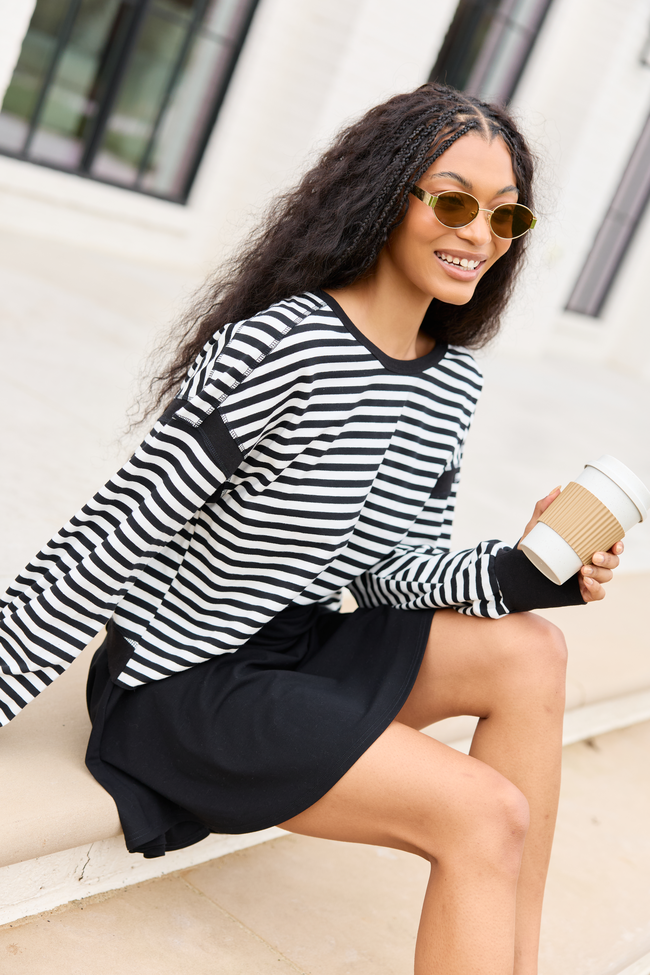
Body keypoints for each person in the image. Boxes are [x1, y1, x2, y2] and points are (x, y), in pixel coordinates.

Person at [0, 83, 622, 975]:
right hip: (187, 684)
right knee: (485, 811)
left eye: (505, 216)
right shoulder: (283, 344)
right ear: (386, 195)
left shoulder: (452, 382)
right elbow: (117, 531)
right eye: (454, 202)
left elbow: (391, 569)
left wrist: (525, 572)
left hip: (301, 650)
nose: (480, 235)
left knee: (533, 649)